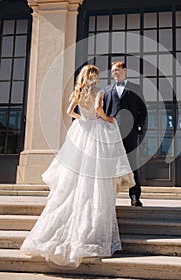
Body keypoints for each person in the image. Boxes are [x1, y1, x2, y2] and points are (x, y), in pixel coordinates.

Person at [20, 64, 135, 268]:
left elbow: (69, 111)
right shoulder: (99, 92)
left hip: (81, 131)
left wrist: (81, 118)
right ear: (94, 77)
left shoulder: (78, 92)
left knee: (76, 172)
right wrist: (108, 119)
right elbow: (99, 110)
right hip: (95, 131)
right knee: (95, 172)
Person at [104, 61, 147, 207]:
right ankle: (108, 197)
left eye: (117, 70)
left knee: (132, 164)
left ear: (124, 70)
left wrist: (139, 126)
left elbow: (143, 110)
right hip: (111, 133)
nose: (114, 73)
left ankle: (135, 196)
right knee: (109, 165)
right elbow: (103, 111)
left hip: (130, 133)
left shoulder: (135, 88)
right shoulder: (107, 90)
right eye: (112, 71)